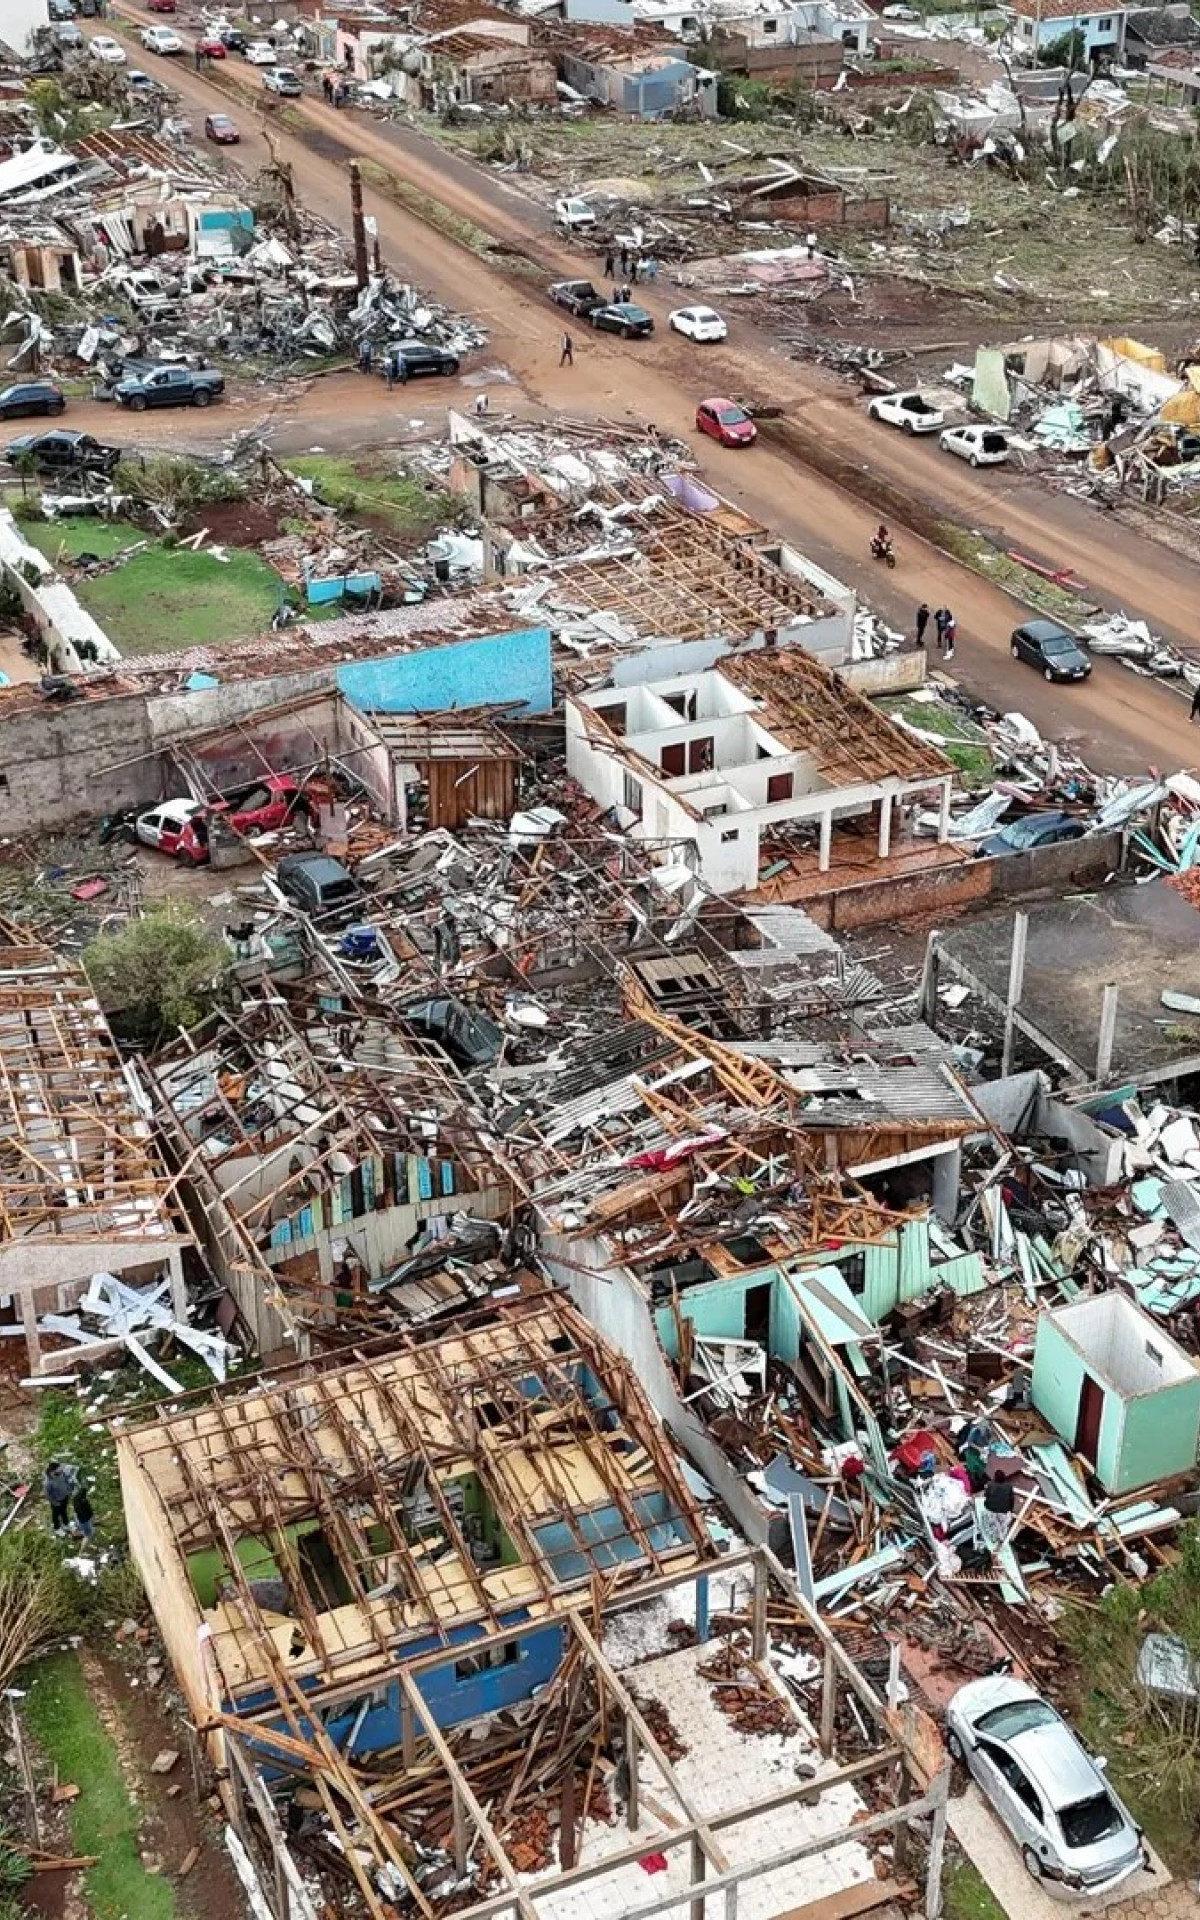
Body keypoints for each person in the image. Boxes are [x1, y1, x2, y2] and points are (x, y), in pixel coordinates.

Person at [44, 1461, 75, 1535]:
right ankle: (57, 1528)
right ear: (51, 1472)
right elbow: (48, 1495)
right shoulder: (48, 1483)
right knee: (56, 1514)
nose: (60, 1473)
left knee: (64, 1511)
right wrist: (54, 1502)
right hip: (57, 1501)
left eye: (60, 1471)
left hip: (65, 1497)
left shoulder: (61, 1474)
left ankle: (66, 1524)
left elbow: (65, 1481)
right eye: (58, 1472)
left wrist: (69, 1490)